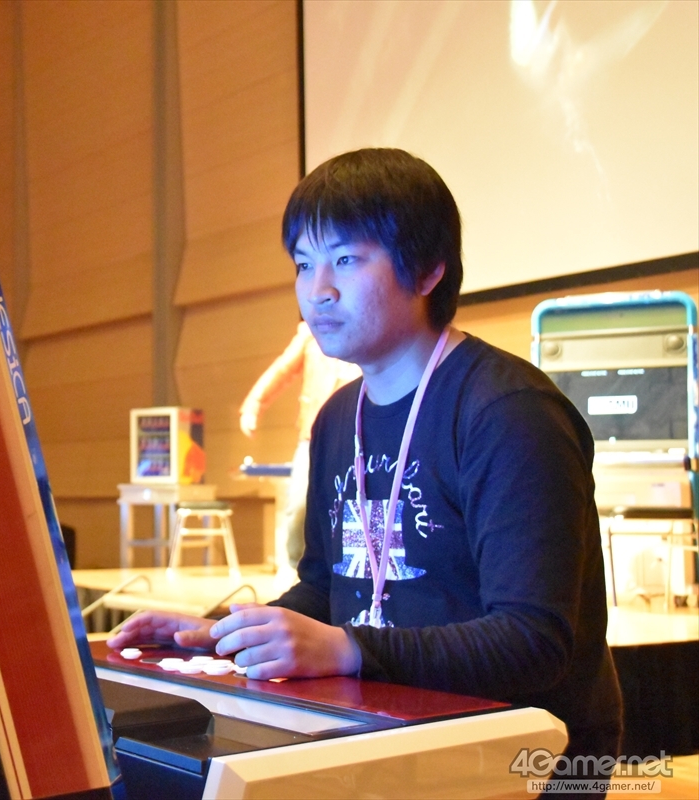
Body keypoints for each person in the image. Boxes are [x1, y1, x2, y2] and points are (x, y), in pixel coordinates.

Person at [110, 148, 622, 773]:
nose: (316, 290)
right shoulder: (337, 418)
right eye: (304, 264)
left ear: (428, 270)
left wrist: (349, 649)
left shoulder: (508, 412)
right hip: (389, 736)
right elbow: (327, 589)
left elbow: (533, 641)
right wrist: (217, 632)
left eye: (346, 260)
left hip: (532, 760)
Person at [239, 321, 358, 572]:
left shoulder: (365, 326)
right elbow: (282, 370)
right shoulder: (310, 334)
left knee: (358, 505)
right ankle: (297, 568)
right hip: (314, 435)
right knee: (300, 504)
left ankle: (354, 573)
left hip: (360, 433)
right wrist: (254, 404)